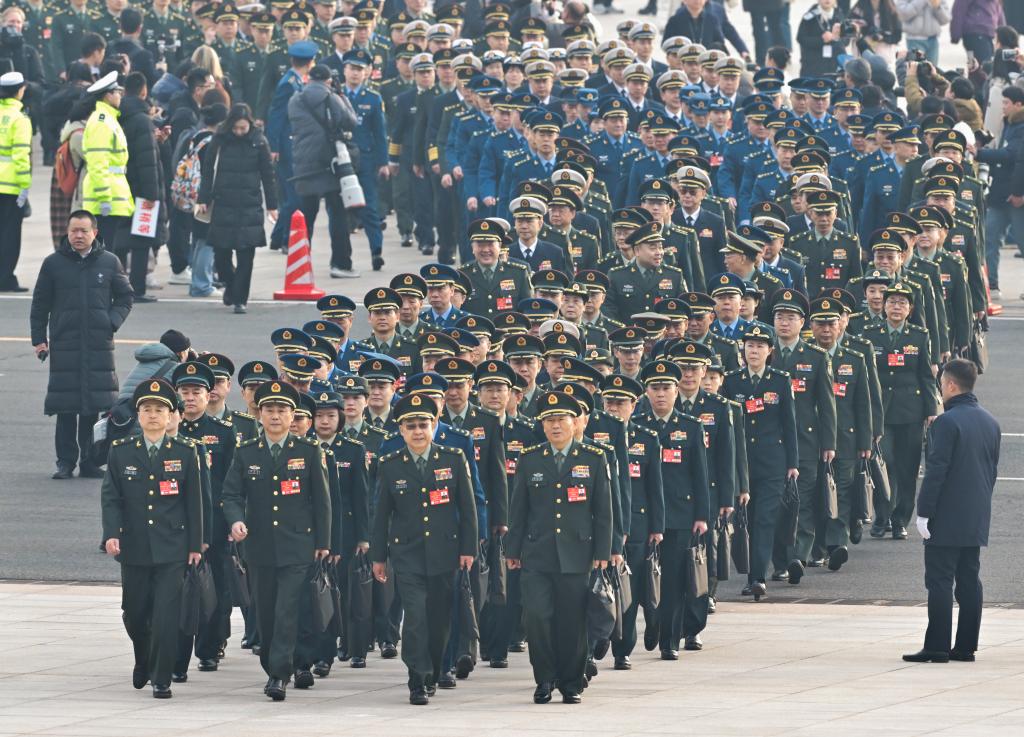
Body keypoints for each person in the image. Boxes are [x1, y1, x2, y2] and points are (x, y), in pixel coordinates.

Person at [221, 380, 331, 702]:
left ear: (292, 415)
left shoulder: (308, 451)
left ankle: (278, 674)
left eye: (282, 410)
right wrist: (236, 520)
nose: (275, 415)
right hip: (259, 546)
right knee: (266, 612)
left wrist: (323, 542)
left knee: (287, 609)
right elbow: (231, 494)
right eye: (269, 409)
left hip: (297, 544)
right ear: (259, 414)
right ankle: (273, 664)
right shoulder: (246, 452)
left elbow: (322, 501)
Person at [370, 393, 478, 705]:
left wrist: (468, 548)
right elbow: (380, 514)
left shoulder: (453, 459)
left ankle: (433, 670)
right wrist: (379, 557)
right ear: (401, 430)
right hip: (407, 554)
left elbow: (468, 509)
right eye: (411, 426)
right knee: (415, 616)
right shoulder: (390, 464)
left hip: (445, 551)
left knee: (439, 619)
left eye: (423, 425)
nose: (418, 431)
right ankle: (417, 677)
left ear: (434, 426)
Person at [506, 390, 612, 705]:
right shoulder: (530, 458)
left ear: (574, 422)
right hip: (537, 554)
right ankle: (544, 678)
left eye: (561, 419)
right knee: (537, 617)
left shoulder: (593, 458)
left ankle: (570, 682)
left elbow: (603, 511)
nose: (555, 426)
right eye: (549, 420)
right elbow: (518, 510)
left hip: (576, 555)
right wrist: (512, 550)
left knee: (572, 623)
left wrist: (603, 553)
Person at [100, 379, 203, 699]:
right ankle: (143, 657)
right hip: (135, 545)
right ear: (138, 415)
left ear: (171, 415)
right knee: (134, 613)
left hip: (172, 546)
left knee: (165, 615)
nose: (153, 415)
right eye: (147, 409)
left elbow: (194, 501)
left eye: (160, 409)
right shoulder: (121, 451)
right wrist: (111, 534)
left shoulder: (185, 451)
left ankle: (161, 677)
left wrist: (195, 545)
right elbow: (111, 497)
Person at [904, 359, 1000, 663]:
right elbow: (991, 472)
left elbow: (936, 471)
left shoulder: (946, 422)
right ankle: (965, 646)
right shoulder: (990, 422)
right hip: (975, 514)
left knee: (940, 580)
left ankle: (937, 646)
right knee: (969, 580)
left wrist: (924, 512)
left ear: (950, 385)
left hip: (946, 515)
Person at [31, 210, 133, 480]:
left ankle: (89, 461)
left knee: (93, 406)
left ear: (94, 233)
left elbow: (125, 297)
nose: (78, 235)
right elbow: (40, 304)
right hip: (65, 343)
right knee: (66, 407)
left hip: (98, 345)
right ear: (67, 232)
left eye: (83, 231)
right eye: (73, 230)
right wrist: (39, 339)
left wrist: (111, 322)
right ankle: (65, 462)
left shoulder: (109, 262)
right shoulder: (53, 264)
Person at [196, 103, 278, 314]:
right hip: (223, 203)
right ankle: (231, 285)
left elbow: (268, 175)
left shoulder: (259, 141)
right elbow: (208, 170)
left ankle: (240, 299)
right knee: (221, 255)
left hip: (249, 205)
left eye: (243, 128)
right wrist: (203, 198)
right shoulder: (219, 140)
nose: (240, 132)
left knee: (246, 255)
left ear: (249, 124)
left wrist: (272, 205)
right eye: (236, 128)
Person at [288, 62, 360, 279]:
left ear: (309, 78)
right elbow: (351, 121)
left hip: (303, 164)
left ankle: (300, 267)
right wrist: (341, 95)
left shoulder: (295, 100)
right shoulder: (332, 97)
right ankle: (340, 264)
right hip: (329, 164)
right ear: (328, 80)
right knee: (337, 215)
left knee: (305, 218)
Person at [115, 72, 166, 303]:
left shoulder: (118, 116)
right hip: (143, 187)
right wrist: (152, 194)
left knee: (120, 238)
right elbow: (148, 161)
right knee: (141, 240)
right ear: (144, 91)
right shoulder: (142, 121)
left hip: (121, 184)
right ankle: (137, 288)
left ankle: (117, 286)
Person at [81, 71, 134, 254]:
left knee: (108, 252)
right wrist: (104, 198)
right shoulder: (102, 122)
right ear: (108, 95)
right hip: (106, 199)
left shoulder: (109, 119)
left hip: (112, 196)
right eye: (117, 92)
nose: (120, 96)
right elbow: (98, 162)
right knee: (103, 251)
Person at [0, 71, 31, 292]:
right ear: (19, 91)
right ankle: (6, 278)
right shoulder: (20, 119)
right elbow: (21, 156)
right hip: (11, 186)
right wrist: (24, 185)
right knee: (10, 235)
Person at [117, 329, 191, 401]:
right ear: (181, 353)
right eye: (187, 351)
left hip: (122, 403)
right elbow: (189, 388)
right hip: (139, 405)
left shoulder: (150, 358)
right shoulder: (173, 367)